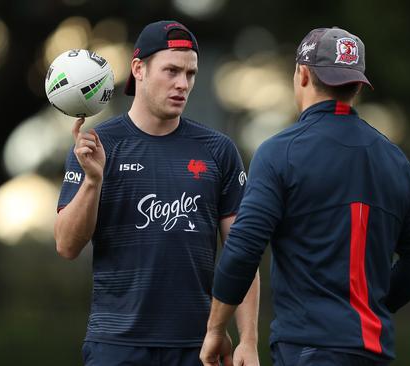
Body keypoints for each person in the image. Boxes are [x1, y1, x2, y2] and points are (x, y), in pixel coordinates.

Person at [199, 27, 410, 366]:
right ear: (357, 85)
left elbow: (243, 248)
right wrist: (375, 304)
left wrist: (215, 328)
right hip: (373, 352)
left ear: (302, 74)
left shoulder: (280, 152)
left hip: (308, 348)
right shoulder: (395, 160)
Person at [54, 20, 260, 366]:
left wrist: (248, 341)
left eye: (190, 74)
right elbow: (67, 246)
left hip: (197, 346)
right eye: (172, 71)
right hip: (116, 345)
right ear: (139, 69)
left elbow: (242, 252)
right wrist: (93, 181)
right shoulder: (97, 146)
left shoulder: (217, 150)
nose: (183, 84)